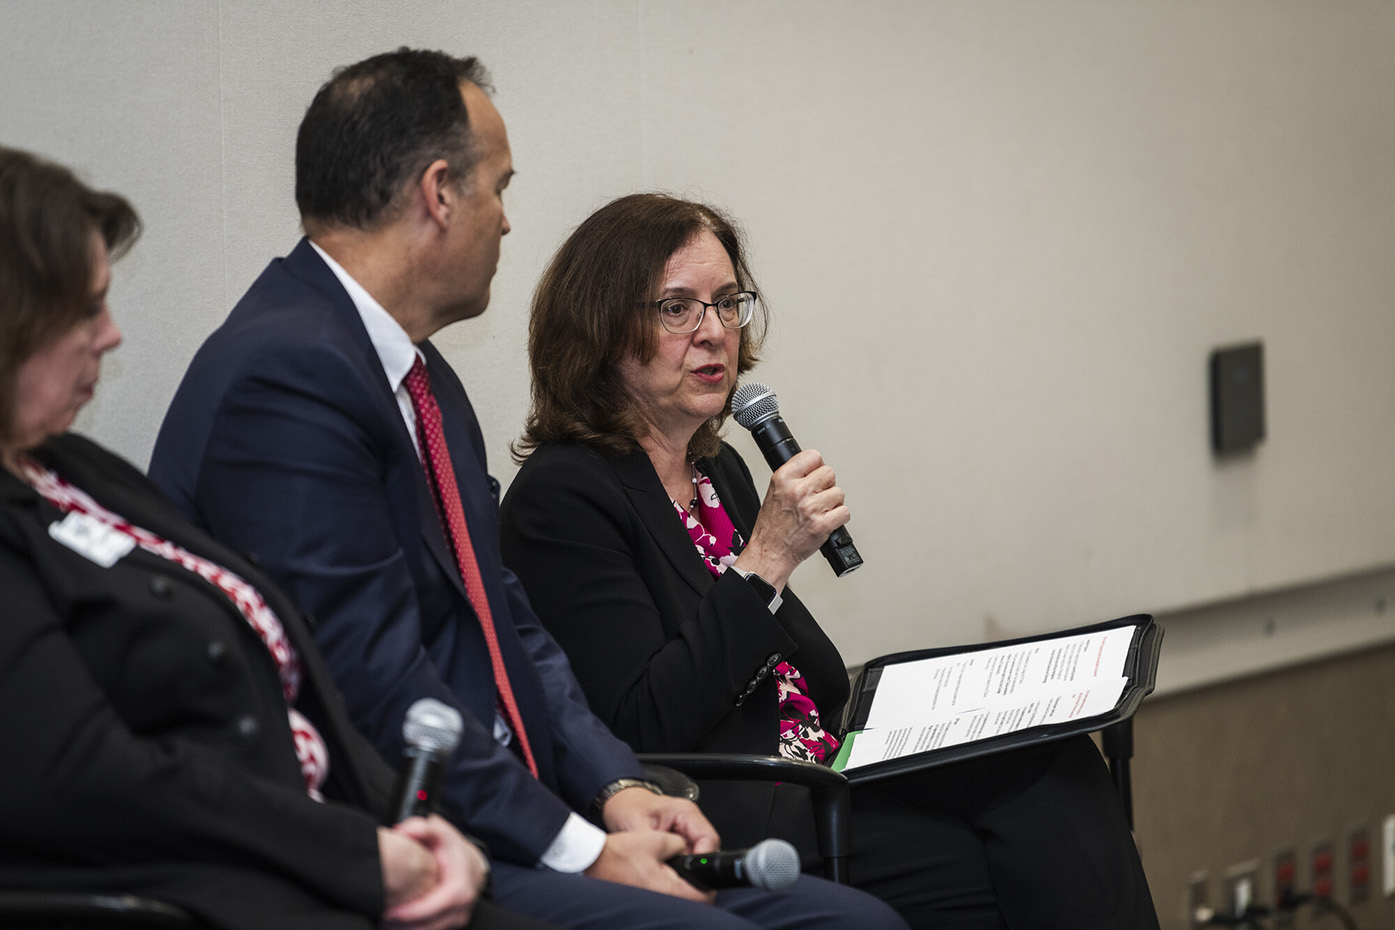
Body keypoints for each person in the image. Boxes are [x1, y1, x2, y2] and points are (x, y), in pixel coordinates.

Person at [149, 48, 906, 930]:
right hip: (389, 839)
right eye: (499, 188)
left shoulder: (419, 375)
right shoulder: (288, 375)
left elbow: (506, 625)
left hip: (508, 806)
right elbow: (368, 676)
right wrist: (578, 844)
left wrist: (617, 787)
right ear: (439, 194)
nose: (507, 222)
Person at [496, 192, 1163, 930]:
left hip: (824, 769)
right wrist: (766, 560)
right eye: (677, 309)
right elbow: (640, 727)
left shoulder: (719, 471)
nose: (714, 332)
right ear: (600, 329)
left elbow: (805, 675)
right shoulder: (564, 495)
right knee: (1014, 862)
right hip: (742, 807)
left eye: (727, 303)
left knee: (1055, 765)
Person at [0, 147, 564, 930]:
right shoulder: (288, 369)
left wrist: (409, 826)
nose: (112, 335)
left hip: (329, 838)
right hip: (228, 884)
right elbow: (87, 773)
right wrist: (358, 852)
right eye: (85, 309)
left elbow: (304, 680)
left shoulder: (71, 467)